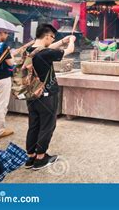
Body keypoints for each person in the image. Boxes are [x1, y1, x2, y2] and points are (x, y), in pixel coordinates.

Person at [25, 24, 75, 170]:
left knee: (34, 125)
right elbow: (70, 51)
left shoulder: (29, 50)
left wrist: (62, 41)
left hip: (31, 94)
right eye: (52, 37)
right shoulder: (46, 53)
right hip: (47, 95)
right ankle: (41, 158)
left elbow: (48, 48)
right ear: (47, 36)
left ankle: (30, 157)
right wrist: (71, 41)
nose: (52, 40)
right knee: (47, 125)